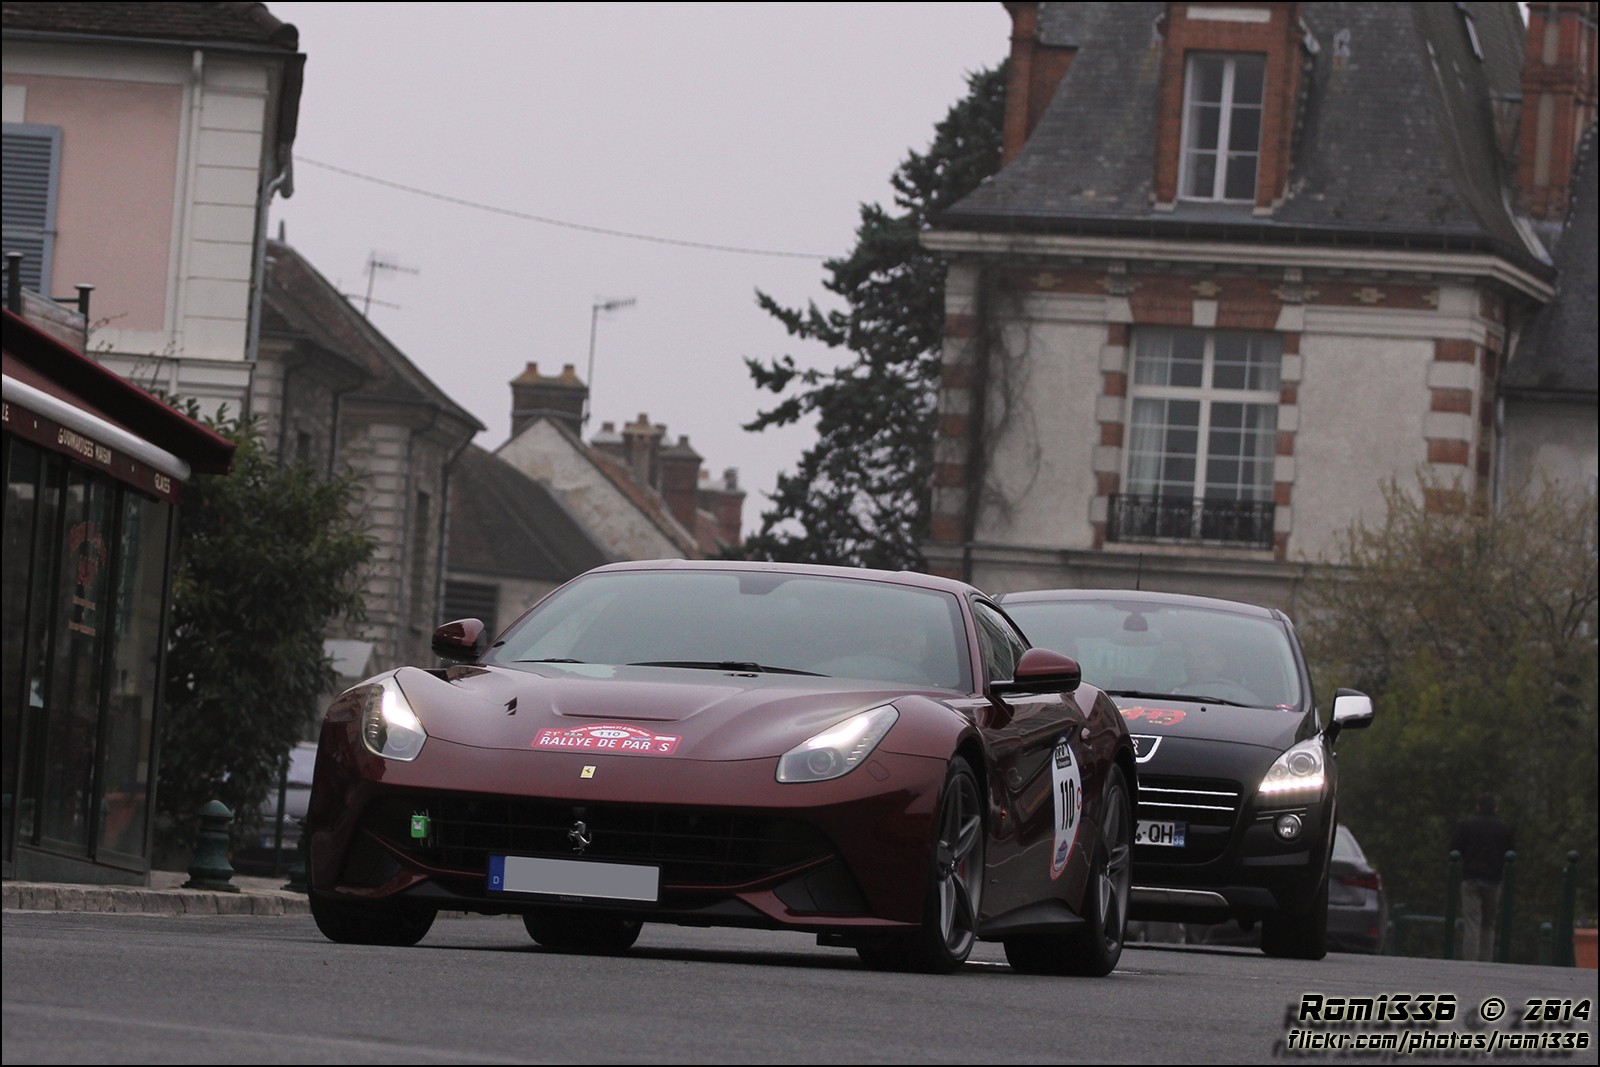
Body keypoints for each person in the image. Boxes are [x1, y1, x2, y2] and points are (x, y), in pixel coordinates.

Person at [1451, 794, 1515, 961]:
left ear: (1477, 807)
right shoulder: (1504, 828)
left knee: (1472, 922)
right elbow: (1511, 851)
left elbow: (1455, 848)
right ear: (1495, 808)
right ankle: (1486, 960)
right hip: (1493, 880)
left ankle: (1470, 960)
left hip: (1471, 878)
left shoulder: (1466, 826)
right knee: (1489, 922)